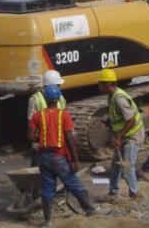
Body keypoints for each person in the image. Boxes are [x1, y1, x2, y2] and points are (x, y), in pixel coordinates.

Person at [29, 85, 96, 227]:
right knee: (73, 183)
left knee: (47, 188)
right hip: (58, 157)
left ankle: (48, 221)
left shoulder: (37, 115)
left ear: (45, 99)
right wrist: (75, 160)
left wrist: (39, 141)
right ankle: (90, 210)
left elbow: (30, 136)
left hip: (44, 157)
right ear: (58, 98)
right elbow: (70, 138)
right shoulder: (63, 115)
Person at [98, 68, 145, 200]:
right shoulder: (112, 96)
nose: (99, 86)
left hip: (133, 136)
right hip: (125, 135)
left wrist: (118, 138)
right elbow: (117, 116)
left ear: (108, 84)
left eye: (101, 83)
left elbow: (131, 120)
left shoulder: (120, 99)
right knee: (116, 164)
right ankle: (113, 191)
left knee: (127, 167)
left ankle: (134, 193)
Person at [27, 70, 67, 166]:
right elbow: (31, 124)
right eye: (58, 85)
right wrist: (34, 142)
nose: (59, 88)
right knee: (38, 170)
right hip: (41, 143)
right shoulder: (35, 99)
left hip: (57, 143)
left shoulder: (60, 97)